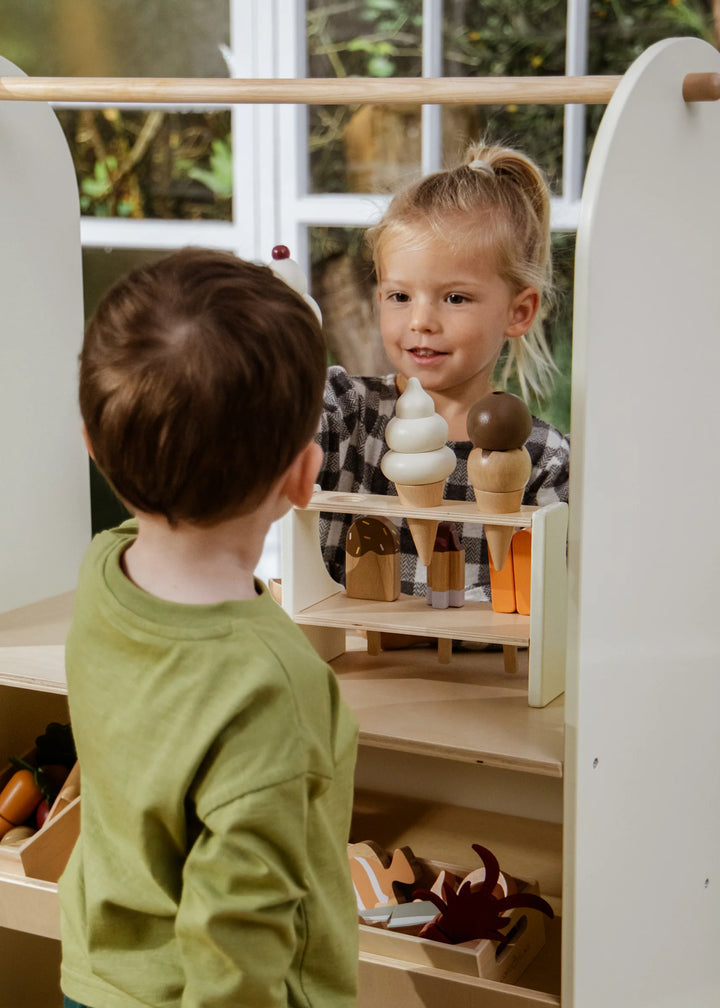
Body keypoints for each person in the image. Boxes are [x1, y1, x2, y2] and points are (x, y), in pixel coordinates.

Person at [59, 249, 359, 1008]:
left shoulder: (104, 577)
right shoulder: (272, 684)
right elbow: (239, 939)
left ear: (92, 445)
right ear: (303, 476)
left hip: (97, 981)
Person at [316, 140, 570, 601]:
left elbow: (564, 596)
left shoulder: (543, 457)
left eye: (455, 298)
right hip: (352, 668)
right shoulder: (347, 413)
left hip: (485, 674)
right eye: (400, 296)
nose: (420, 321)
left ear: (519, 312)